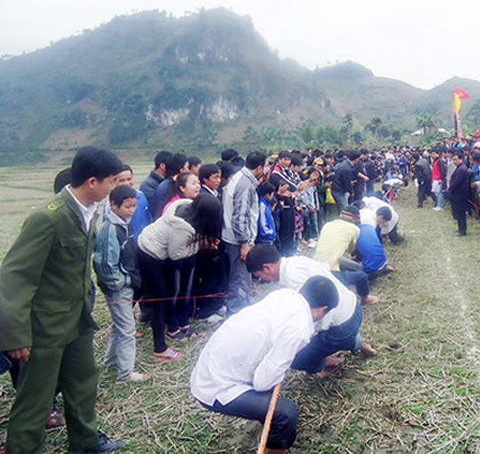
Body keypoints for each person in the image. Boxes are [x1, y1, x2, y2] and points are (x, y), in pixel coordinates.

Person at [0, 147, 127, 453]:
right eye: (112, 180)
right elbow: (15, 279)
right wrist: (16, 335)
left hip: (77, 320)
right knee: (36, 397)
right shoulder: (48, 218)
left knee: (83, 384)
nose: (115, 186)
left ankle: (85, 443)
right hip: (46, 326)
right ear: (93, 182)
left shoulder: (90, 213)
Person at [190, 276, 339, 454]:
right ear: (323, 310)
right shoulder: (299, 328)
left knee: (271, 398)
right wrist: (279, 371)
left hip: (209, 366)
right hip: (217, 386)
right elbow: (262, 382)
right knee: (285, 414)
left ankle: (270, 433)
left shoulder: (284, 295)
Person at [246, 245, 376, 377]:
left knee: (295, 357)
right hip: (354, 308)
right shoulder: (297, 261)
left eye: (259, 275)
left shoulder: (293, 278)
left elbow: (314, 316)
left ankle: (329, 364)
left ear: (267, 267)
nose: (262, 279)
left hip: (342, 327)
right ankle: (356, 342)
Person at [137, 193, 223, 360]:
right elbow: (176, 254)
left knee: (153, 291)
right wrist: (200, 245)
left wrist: (198, 242)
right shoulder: (183, 228)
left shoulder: (187, 208)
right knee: (159, 299)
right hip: (149, 253)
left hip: (157, 249)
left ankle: (175, 326)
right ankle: (160, 348)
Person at [93, 185, 147, 383]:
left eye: (133, 206)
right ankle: (125, 373)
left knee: (119, 324)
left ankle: (110, 361)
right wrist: (121, 283)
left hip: (126, 284)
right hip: (119, 288)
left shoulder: (124, 223)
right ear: (113, 205)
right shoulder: (110, 229)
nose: (131, 210)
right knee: (127, 329)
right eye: (127, 206)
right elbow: (106, 263)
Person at [221, 151, 267, 313]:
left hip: (232, 237)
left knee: (241, 277)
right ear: (260, 167)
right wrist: (244, 243)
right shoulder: (245, 185)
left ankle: (242, 307)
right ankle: (236, 312)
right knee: (240, 279)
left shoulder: (239, 177)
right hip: (237, 240)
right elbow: (240, 217)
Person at [314, 207, 379, 305]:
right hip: (331, 272)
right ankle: (365, 298)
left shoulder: (327, 225)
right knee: (362, 276)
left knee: (339, 260)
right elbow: (350, 250)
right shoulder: (355, 229)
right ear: (356, 219)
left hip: (314, 267)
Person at [448, 151, 469, 236]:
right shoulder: (459, 167)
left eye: (456, 159)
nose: (454, 161)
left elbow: (457, 182)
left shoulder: (462, 169)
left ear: (461, 159)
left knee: (461, 213)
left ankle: (462, 230)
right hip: (457, 193)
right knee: (459, 212)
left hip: (460, 194)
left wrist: (450, 188)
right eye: (453, 160)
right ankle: (460, 229)